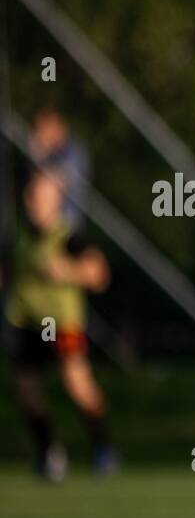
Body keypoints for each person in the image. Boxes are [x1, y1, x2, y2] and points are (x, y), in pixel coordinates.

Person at [2, 170, 116, 480]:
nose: (32, 203)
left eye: (39, 197)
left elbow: (99, 274)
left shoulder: (69, 238)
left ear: (55, 202)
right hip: (26, 323)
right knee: (26, 391)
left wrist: (67, 271)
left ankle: (103, 447)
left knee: (77, 384)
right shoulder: (21, 238)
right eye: (30, 196)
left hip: (62, 324)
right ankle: (48, 454)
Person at [29, 106, 92, 230]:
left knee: (43, 186)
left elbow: (60, 181)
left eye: (41, 129)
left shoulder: (74, 152)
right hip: (54, 224)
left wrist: (38, 154)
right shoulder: (54, 153)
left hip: (67, 225)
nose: (38, 134)